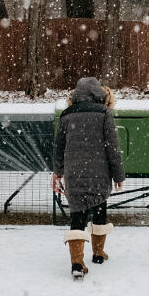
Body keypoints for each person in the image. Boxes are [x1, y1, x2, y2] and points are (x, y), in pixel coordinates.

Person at [52, 77, 125, 280]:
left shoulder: (66, 115)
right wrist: (118, 174)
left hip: (73, 172)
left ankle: (77, 262)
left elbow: (59, 148)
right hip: (99, 171)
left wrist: (57, 173)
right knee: (100, 205)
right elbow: (112, 148)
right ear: (98, 93)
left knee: (78, 214)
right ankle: (98, 253)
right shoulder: (104, 113)